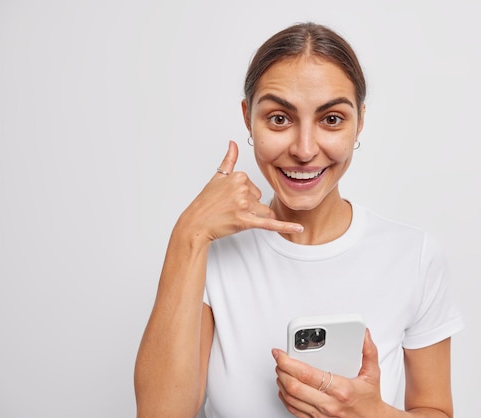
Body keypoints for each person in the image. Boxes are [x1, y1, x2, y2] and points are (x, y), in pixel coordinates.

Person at [134, 22, 463, 418]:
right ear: (248, 117)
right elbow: (159, 412)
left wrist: (371, 414)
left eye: (331, 119)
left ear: (359, 120)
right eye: (279, 119)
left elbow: (435, 409)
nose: (305, 150)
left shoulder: (414, 256)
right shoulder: (209, 254)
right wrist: (189, 232)